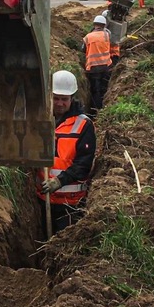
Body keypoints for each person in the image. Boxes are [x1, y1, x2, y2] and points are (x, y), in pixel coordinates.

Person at [36, 70, 97, 234]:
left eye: (64, 99)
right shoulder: (43, 121)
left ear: (72, 98)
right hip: (44, 199)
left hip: (70, 204)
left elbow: (83, 164)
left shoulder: (84, 125)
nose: (59, 103)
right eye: (56, 98)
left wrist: (59, 181)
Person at [82, 15, 113, 115]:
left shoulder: (88, 37)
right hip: (106, 66)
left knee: (95, 91)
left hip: (93, 68)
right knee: (104, 89)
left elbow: (82, 49)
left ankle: (95, 111)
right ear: (104, 25)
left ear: (94, 24)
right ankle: (104, 109)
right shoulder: (106, 35)